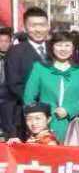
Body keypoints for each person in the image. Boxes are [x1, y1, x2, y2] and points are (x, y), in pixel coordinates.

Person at [22, 30, 79, 144]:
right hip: (45, 127)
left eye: (67, 45)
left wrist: (68, 110)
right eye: (59, 45)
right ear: (52, 47)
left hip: (72, 127)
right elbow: (28, 97)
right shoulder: (40, 68)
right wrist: (38, 118)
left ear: (73, 49)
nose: (63, 49)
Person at [4, 7, 50, 138]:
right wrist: (39, 103)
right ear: (25, 27)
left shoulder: (56, 48)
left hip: (55, 115)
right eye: (33, 25)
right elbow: (14, 85)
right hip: (26, 115)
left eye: (42, 25)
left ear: (48, 26)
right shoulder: (15, 52)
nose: (38, 29)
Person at [0, 26, 13, 140]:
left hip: (10, 100)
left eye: (6, 41)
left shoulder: (16, 58)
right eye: (1, 41)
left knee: (9, 131)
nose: (3, 44)